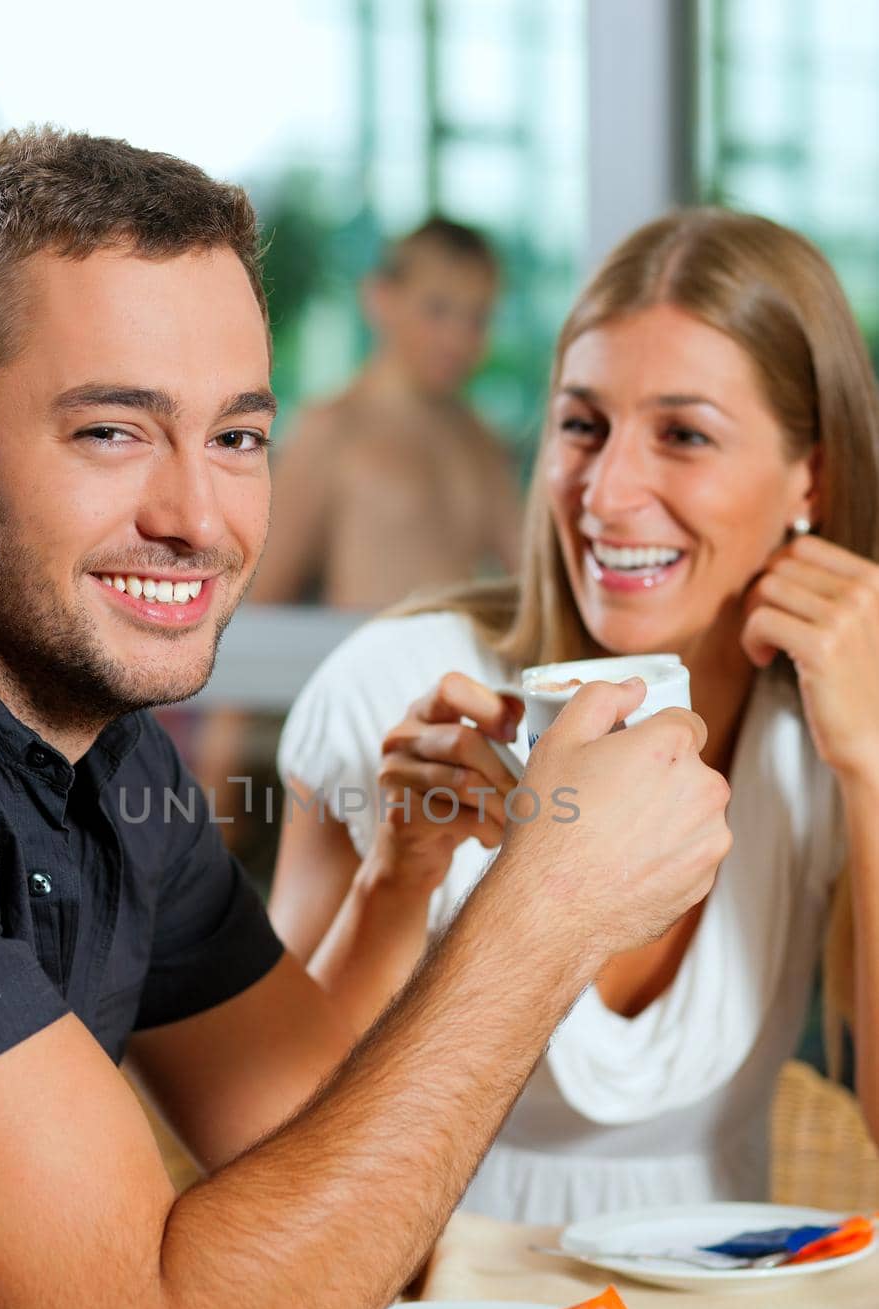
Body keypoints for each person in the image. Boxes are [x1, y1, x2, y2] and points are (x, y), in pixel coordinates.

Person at [0, 130, 730, 1309]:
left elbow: (341, 1188)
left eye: (235, 434)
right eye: (110, 432)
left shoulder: (102, 749)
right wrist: (544, 907)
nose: (199, 516)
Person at [271, 207, 879, 1225]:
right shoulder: (395, 688)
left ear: (807, 476)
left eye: (682, 434)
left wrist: (866, 759)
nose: (606, 491)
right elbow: (264, 1146)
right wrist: (396, 882)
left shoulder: (823, 725)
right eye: (580, 426)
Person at [249, 216, 522, 611]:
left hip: (461, 669)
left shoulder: (479, 439)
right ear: (380, 298)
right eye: (438, 309)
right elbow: (263, 604)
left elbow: (532, 576)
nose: (459, 338)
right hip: (362, 669)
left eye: (477, 317)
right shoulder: (330, 430)